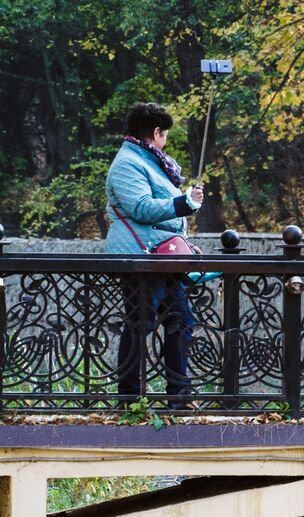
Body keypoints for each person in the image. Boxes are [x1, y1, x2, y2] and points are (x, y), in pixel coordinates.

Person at [105, 102, 204, 402]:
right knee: (140, 323)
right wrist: (184, 203)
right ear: (156, 132)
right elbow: (141, 208)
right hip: (141, 258)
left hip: (161, 258)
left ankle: (178, 394)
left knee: (180, 322)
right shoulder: (127, 164)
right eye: (165, 135)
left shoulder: (148, 161)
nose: (166, 141)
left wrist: (182, 237)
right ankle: (129, 397)